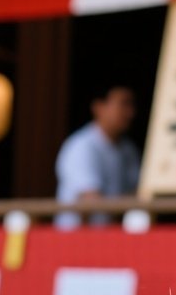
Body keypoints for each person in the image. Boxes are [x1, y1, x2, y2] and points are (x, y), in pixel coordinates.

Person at [56, 83, 142, 228]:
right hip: (77, 239)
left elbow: (138, 194)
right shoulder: (82, 146)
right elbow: (90, 200)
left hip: (113, 236)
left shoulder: (128, 149)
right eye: (123, 104)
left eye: (131, 105)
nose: (130, 113)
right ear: (99, 107)